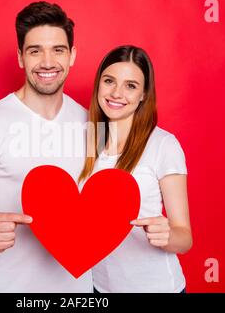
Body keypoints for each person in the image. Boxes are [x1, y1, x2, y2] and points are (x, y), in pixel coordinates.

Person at [0, 1, 92, 293]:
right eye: (35, 50)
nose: (48, 62)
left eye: (58, 50)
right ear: (20, 57)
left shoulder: (90, 122)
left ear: (72, 55)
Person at [78, 45, 193, 293]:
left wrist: (167, 236)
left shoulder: (163, 145)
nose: (117, 93)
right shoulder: (88, 141)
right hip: (98, 288)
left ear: (143, 95)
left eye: (130, 85)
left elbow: (184, 239)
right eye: (109, 81)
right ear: (99, 84)